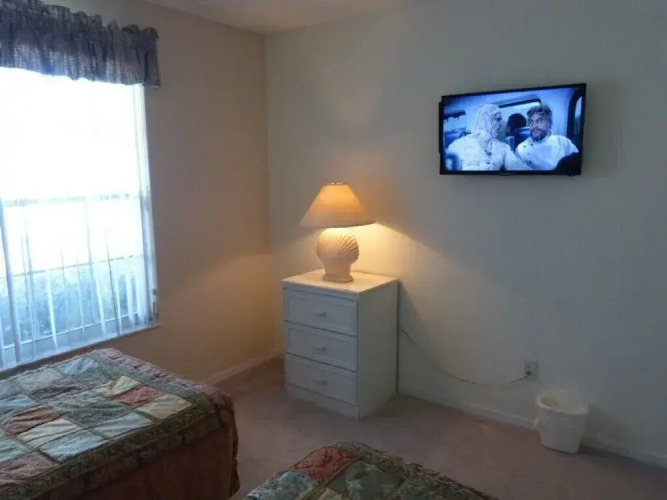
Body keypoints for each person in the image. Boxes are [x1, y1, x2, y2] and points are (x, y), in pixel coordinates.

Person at [448, 104, 527, 171]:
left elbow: (516, 165)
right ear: (485, 121)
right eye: (497, 119)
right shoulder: (458, 145)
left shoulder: (504, 148)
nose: (501, 124)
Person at [515, 104, 579, 171]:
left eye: (539, 121)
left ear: (550, 124)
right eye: (531, 122)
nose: (534, 126)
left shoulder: (564, 142)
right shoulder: (521, 149)